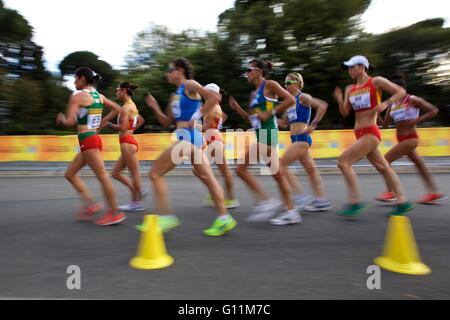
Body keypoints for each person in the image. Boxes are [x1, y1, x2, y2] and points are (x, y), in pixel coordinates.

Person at [140, 58, 237, 237]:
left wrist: (196, 116)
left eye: (170, 70)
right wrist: (154, 107)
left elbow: (213, 97)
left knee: (154, 173)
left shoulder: (189, 85)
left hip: (188, 138)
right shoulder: (174, 95)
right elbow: (166, 122)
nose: (167, 73)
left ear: (180, 71)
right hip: (190, 138)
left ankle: (165, 217)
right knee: (207, 177)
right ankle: (224, 218)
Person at [333, 55, 414, 216]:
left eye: (352, 67)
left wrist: (385, 103)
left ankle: (355, 202)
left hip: (370, 132)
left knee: (343, 162)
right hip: (359, 132)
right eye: (348, 67)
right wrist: (340, 99)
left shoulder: (376, 81)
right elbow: (345, 112)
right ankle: (402, 201)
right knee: (383, 166)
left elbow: (401, 91)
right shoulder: (350, 88)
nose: (349, 70)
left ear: (362, 67)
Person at [56, 67, 126, 225]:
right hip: (93, 138)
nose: (74, 82)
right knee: (70, 174)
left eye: (75, 78)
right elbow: (118, 108)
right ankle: (91, 204)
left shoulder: (78, 97)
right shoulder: (98, 95)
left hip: (88, 139)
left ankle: (114, 213)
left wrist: (61, 119)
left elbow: (70, 122)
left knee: (103, 176)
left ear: (82, 79)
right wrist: (103, 122)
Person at [229, 59, 297, 222]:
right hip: (260, 133)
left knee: (240, 169)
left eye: (249, 69)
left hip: (269, 133)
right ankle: (291, 211)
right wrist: (238, 109)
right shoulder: (253, 94)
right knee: (278, 175)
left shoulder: (270, 85)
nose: (247, 73)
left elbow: (290, 100)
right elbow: (252, 119)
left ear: (259, 71)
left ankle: (266, 201)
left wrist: (270, 113)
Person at [271, 72, 331, 226]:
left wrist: (314, 124)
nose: (286, 85)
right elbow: (285, 124)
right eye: (284, 83)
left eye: (289, 82)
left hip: (302, 139)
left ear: (297, 83)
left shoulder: (303, 97)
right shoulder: (289, 103)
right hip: (295, 138)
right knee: (311, 169)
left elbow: (323, 106)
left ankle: (300, 197)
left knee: (280, 166)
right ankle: (321, 200)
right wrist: (269, 117)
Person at [377, 73, 447, 204]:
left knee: (385, 160)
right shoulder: (392, 105)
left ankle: (391, 192)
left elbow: (434, 110)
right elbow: (385, 125)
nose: (391, 92)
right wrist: (377, 113)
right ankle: (434, 193)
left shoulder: (412, 99)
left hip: (410, 138)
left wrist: (416, 121)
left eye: (393, 89)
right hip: (401, 139)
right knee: (419, 164)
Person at [100, 82, 147, 212]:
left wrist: (107, 123)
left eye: (118, 90)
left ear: (124, 90)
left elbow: (122, 127)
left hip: (127, 143)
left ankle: (137, 201)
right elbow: (141, 120)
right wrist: (131, 130)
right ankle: (137, 191)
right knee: (115, 173)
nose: (116, 92)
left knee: (134, 174)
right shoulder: (131, 106)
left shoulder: (127, 108)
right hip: (128, 141)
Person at [194, 83, 240, 209]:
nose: (203, 94)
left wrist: (193, 126)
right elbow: (223, 117)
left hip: (214, 140)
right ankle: (219, 194)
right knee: (215, 171)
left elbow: (206, 127)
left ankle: (227, 197)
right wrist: (217, 124)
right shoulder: (215, 106)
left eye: (205, 92)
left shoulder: (211, 107)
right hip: (214, 139)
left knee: (201, 170)